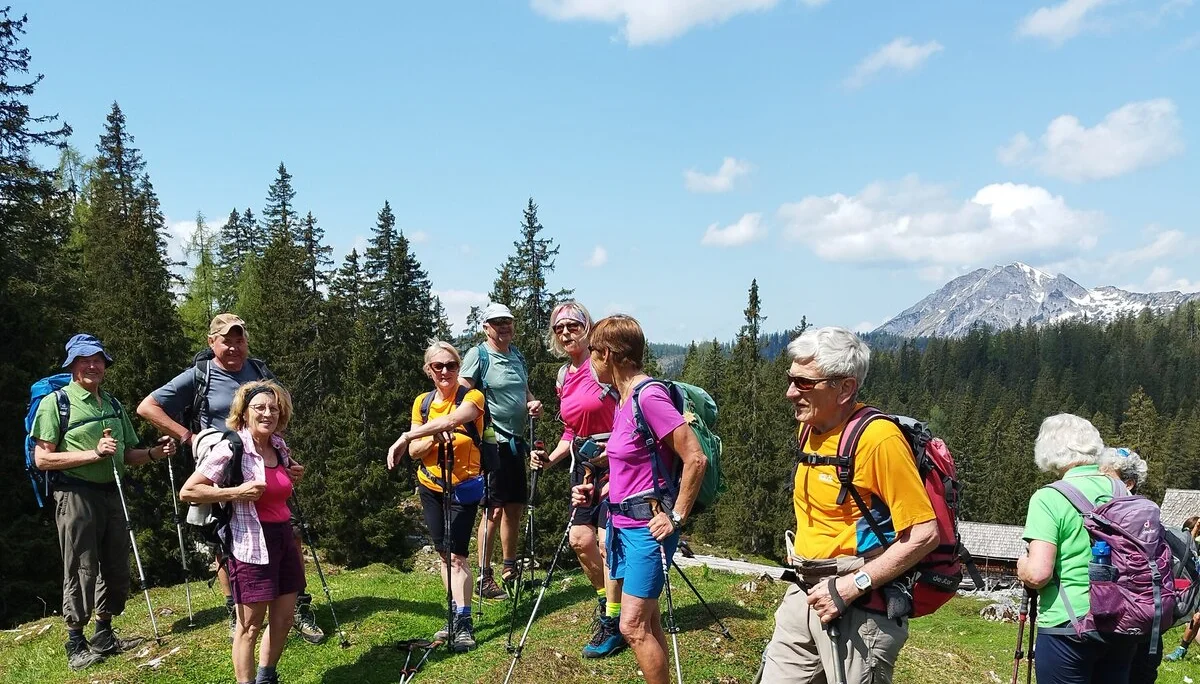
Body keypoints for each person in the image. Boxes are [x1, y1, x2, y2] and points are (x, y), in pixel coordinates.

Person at [756, 326, 938, 684]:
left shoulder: (878, 440)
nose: (790, 392)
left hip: (859, 605)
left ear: (845, 388)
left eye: (804, 383)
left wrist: (853, 585)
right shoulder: (809, 427)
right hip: (804, 592)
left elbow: (924, 533)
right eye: (791, 379)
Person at [138, 313, 324, 644]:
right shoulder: (200, 375)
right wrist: (188, 437)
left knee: (289, 530)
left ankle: (295, 606)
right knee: (225, 538)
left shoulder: (260, 371)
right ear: (212, 342)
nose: (234, 347)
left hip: (265, 464)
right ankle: (235, 610)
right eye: (227, 341)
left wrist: (285, 459)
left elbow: (277, 415)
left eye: (240, 340)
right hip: (223, 470)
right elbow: (147, 407)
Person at [570, 314, 707, 684]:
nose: (589, 360)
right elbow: (636, 462)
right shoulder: (624, 399)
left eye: (593, 352)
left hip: (648, 529)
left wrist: (676, 516)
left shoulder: (649, 396)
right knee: (648, 619)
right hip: (622, 524)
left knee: (631, 626)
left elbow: (695, 458)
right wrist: (596, 489)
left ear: (608, 354)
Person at [30, 334, 176, 670]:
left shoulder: (112, 404)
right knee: (81, 567)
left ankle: (104, 634)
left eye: (98, 360)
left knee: (115, 565)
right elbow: (42, 459)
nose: (93, 366)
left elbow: (126, 454)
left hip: (112, 492)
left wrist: (155, 453)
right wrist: (92, 453)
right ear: (72, 365)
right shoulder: (56, 403)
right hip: (75, 494)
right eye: (85, 361)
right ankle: (75, 641)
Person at [179, 381, 306, 684]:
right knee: (249, 625)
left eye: (273, 408)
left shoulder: (278, 446)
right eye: (259, 407)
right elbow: (189, 491)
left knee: (285, 617)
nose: (267, 413)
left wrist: (292, 475)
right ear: (244, 413)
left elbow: (277, 485)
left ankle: (266, 677)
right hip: (250, 542)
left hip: (283, 538)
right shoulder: (231, 447)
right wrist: (236, 492)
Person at [529, 301, 625, 657]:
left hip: (618, 462)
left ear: (588, 327)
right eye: (559, 328)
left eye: (573, 325)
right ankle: (608, 602)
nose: (566, 332)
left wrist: (614, 451)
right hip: (582, 464)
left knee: (606, 540)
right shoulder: (563, 376)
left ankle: (614, 621)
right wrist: (549, 460)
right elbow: (570, 429)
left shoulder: (604, 365)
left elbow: (629, 411)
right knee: (580, 540)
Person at [1017, 414, 1137, 684]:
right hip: (1123, 621)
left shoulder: (1049, 497)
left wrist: (1022, 567)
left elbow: (1038, 574)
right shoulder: (1122, 491)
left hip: (1068, 626)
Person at [386, 341, 486, 651]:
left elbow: (454, 420)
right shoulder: (423, 402)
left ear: (459, 367)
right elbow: (415, 453)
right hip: (430, 486)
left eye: (451, 365)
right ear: (428, 370)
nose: (445, 371)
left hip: (463, 487)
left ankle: (464, 622)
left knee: (457, 556)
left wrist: (408, 435)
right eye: (438, 366)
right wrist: (430, 437)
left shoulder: (472, 396)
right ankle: (454, 614)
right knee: (443, 553)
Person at [461, 302, 542, 599]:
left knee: (514, 506)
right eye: (497, 322)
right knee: (493, 509)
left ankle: (510, 569)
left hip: (516, 442)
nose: (504, 326)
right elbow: (462, 393)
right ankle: (484, 577)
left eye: (507, 321)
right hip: (492, 442)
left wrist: (532, 402)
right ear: (486, 328)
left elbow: (524, 390)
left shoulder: (516, 355)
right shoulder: (479, 355)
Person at [1165, 514, 1200, 663]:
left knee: (1197, 617)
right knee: (1196, 618)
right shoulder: (1187, 546)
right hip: (1195, 587)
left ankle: (1182, 648)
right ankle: (1181, 649)